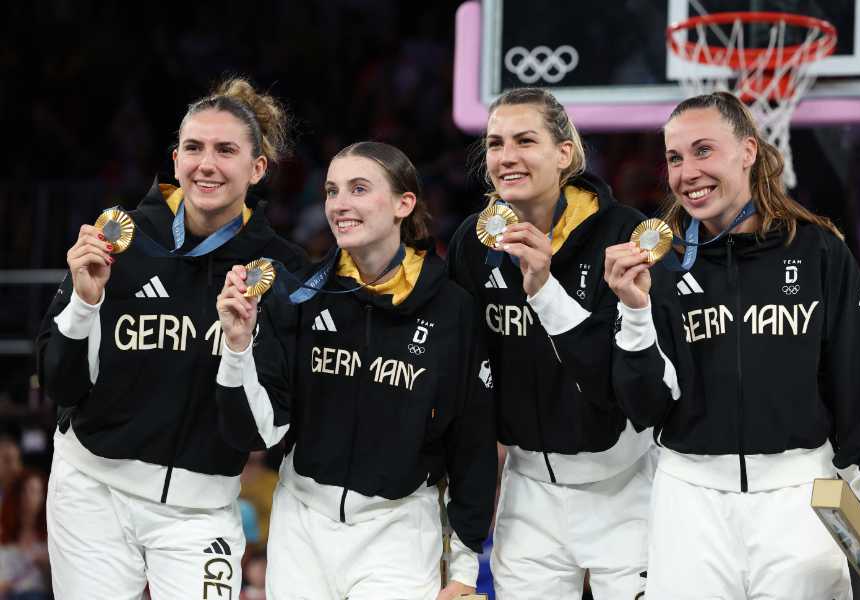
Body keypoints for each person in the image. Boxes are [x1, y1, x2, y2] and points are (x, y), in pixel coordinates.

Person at [604, 90, 860, 598]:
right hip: (687, 501)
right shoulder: (660, 266)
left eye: (703, 150)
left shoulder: (818, 252)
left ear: (748, 152)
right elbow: (644, 405)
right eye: (674, 157)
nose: (686, 172)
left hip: (801, 497)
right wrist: (633, 312)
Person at [35, 77, 304, 599]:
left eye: (226, 150)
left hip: (200, 512)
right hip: (93, 493)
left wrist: (238, 347)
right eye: (194, 148)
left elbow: (263, 433)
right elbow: (58, 384)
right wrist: (85, 305)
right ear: (175, 158)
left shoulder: (278, 272)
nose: (207, 164)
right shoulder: (118, 240)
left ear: (257, 168)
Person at [215, 141, 497, 600]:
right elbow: (261, 432)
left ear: (405, 203)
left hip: (399, 531)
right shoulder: (302, 296)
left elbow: (472, 444)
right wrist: (238, 346)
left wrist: (464, 565)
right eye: (331, 191)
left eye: (359, 189)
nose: (340, 204)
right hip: (301, 524)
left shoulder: (453, 310)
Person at [447, 87, 654, 599]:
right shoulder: (473, 244)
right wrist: (461, 542)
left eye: (524, 140)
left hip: (625, 486)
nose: (506, 157)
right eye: (495, 144)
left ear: (564, 154)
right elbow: (467, 388)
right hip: (528, 492)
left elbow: (616, 380)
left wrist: (544, 287)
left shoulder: (622, 234)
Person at [0, 469, 50, 600]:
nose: (30, 497)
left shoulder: (51, 534)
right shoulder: (4, 531)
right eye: (25, 491)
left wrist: (46, 565)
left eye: (36, 491)